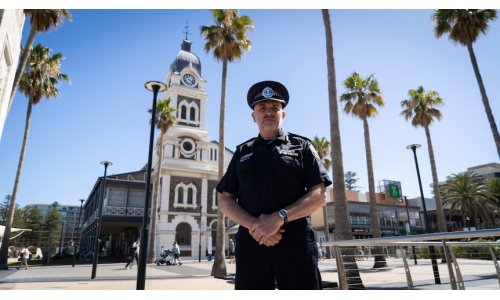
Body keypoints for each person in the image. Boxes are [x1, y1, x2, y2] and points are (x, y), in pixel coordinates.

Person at [216, 80, 332, 290]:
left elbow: (319, 194)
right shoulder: (242, 152)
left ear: (282, 114)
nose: (268, 112)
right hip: (252, 243)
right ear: (254, 116)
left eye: (274, 108)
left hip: (295, 244)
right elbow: (225, 200)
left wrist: (279, 217)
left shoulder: (302, 147)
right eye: (262, 108)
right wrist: (256, 226)